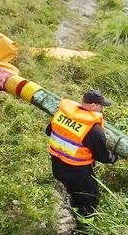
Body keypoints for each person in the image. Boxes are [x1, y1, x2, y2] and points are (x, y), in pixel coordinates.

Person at [46, 90, 117, 226]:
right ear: (92, 106)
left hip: (57, 167)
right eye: (100, 106)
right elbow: (102, 156)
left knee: (73, 192)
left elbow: (49, 131)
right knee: (90, 198)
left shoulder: (61, 114)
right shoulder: (93, 129)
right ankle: (84, 229)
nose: (102, 109)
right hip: (78, 172)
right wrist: (114, 157)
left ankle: (75, 211)